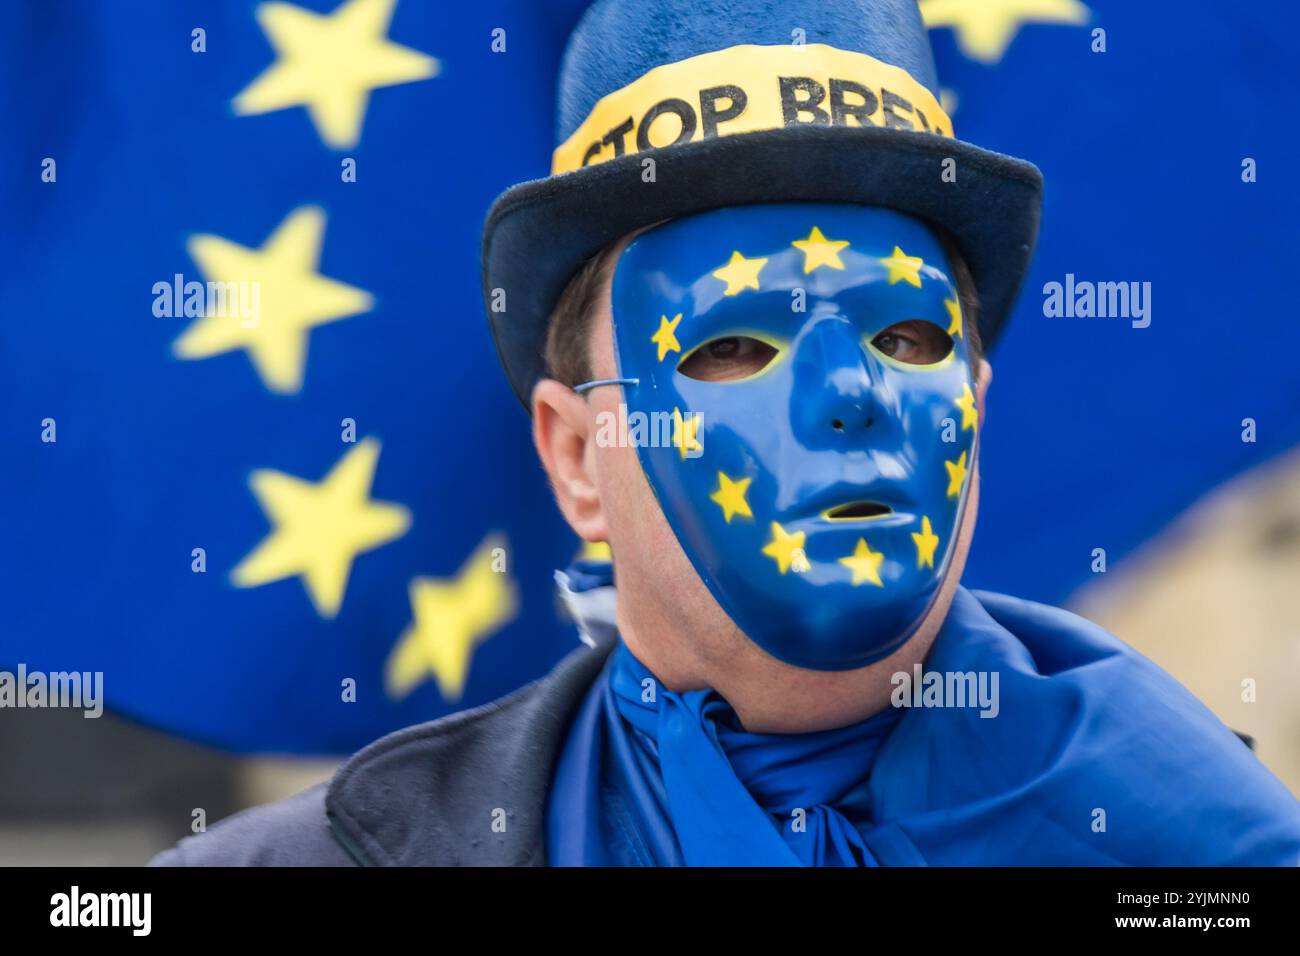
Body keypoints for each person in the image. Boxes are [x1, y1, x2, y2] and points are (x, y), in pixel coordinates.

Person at [152, 0, 1300, 866]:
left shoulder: (1199, 851)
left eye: (905, 336)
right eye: (732, 349)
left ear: (977, 404)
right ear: (573, 460)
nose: (850, 397)